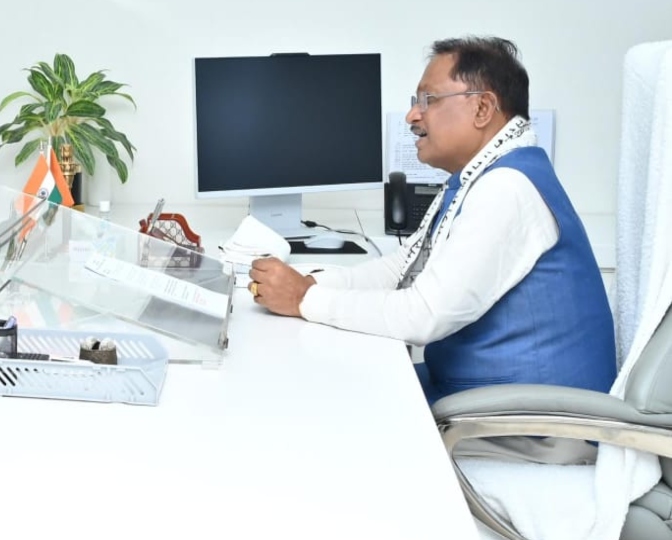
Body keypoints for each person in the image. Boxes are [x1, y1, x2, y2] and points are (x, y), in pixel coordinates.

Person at [248, 36, 616, 409]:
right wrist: (311, 284)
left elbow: (424, 316)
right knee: (332, 384)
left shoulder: (507, 188)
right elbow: (402, 267)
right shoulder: (480, 176)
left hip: (532, 418)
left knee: (328, 402)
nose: (412, 115)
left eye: (429, 100)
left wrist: (305, 300)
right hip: (489, 394)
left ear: (483, 108)